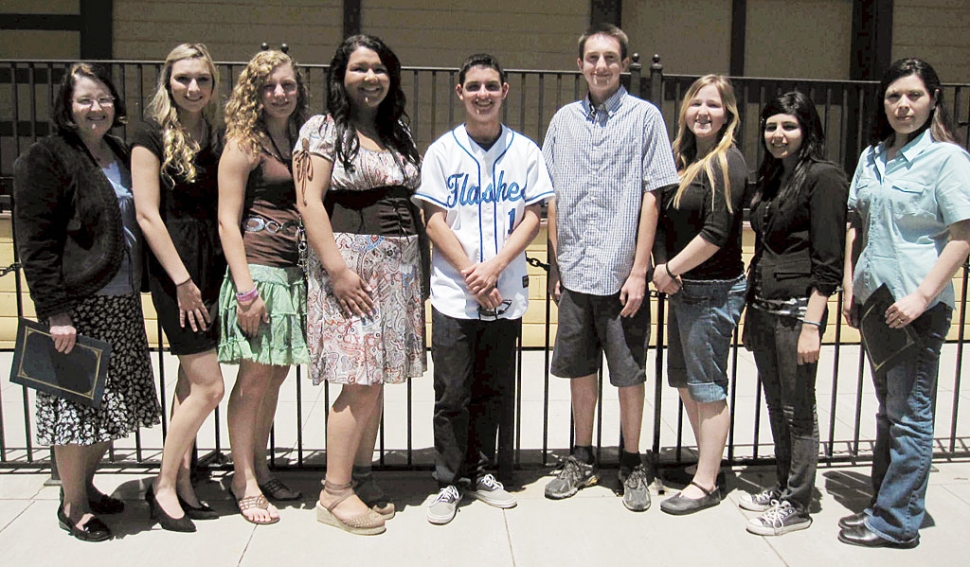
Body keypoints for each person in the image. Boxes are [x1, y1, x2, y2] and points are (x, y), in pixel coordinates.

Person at [13, 63, 161, 542]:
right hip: (79, 305)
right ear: (67, 108)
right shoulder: (48, 157)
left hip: (121, 301)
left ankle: (86, 486)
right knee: (76, 407)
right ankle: (72, 505)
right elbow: (35, 243)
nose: (95, 108)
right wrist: (55, 313)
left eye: (103, 99)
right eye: (84, 100)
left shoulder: (118, 153)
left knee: (111, 404)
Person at [542, 23, 679, 512]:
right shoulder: (562, 122)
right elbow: (551, 197)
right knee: (581, 372)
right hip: (576, 273)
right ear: (579, 64)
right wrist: (557, 263)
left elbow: (653, 194)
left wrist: (640, 270)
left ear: (623, 63)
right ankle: (581, 457)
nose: (600, 65)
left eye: (610, 57)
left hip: (624, 278)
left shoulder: (645, 119)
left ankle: (632, 461)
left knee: (628, 373)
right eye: (592, 57)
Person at [415, 53, 555, 525]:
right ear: (460, 92)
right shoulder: (442, 151)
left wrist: (493, 268)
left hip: (506, 288)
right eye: (473, 86)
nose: (482, 94)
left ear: (504, 91)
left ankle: (484, 472)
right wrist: (474, 274)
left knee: (494, 389)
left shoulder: (526, 151)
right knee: (453, 390)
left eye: (491, 86)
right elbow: (433, 220)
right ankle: (449, 481)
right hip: (456, 292)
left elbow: (535, 214)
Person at [294, 34, 425, 536]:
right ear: (340, 76)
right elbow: (309, 202)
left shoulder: (398, 132)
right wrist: (338, 271)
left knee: (376, 382)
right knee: (359, 379)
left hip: (398, 269)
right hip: (351, 267)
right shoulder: (321, 130)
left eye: (380, 69)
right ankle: (334, 492)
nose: (371, 78)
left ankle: (360, 476)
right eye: (359, 69)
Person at [838, 58, 970, 549]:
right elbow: (857, 221)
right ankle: (882, 505)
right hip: (876, 300)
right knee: (889, 410)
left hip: (917, 305)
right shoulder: (874, 156)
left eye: (913, 95)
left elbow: (962, 234)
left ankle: (897, 523)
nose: (903, 105)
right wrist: (851, 283)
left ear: (933, 98)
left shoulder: (948, 160)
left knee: (910, 413)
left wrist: (922, 296)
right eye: (894, 96)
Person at [741, 92, 848, 535]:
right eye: (771, 127)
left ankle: (798, 505)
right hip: (765, 308)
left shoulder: (824, 178)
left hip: (796, 312)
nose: (778, 135)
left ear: (807, 130)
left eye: (789, 126)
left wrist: (811, 324)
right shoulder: (773, 177)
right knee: (775, 403)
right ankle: (785, 484)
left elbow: (829, 262)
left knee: (797, 409)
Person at [132, 43, 226, 532]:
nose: (193, 87)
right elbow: (148, 213)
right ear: (167, 81)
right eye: (184, 78)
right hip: (176, 271)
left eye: (203, 79)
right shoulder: (149, 134)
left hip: (211, 266)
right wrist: (183, 281)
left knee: (189, 383)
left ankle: (185, 480)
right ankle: (163, 485)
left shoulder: (215, 132)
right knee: (211, 386)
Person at [217, 50, 310, 524]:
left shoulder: (299, 138)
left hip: (294, 274)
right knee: (253, 380)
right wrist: (246, 291)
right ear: (254, 92)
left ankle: (260, 463)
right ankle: (242, 477)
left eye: (288, 85)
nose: (280, 93)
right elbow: (226, 223)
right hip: (258, 274)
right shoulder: (243, 143)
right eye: (269, 86)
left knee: (274, 377)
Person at [651, 74, 747, 515]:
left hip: (712, 292)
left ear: (728, 113)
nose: (703, 112)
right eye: (696, 104)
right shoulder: (685, 159)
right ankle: (707, 466)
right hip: (684, 290)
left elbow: (715, 233)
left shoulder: (727, 162)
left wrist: (668, 269)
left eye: (713, 105)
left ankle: (706, 483)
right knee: (688, 384)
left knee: (708, 388)